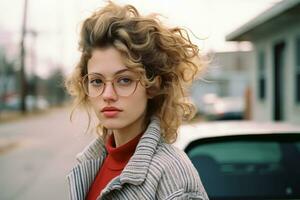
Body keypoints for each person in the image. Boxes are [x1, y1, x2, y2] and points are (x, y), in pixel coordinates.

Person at [65, 1, 209, 200]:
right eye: (97, 81)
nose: (108, 94)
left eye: (124, 80)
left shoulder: (172, 175)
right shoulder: (91, 163)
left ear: (152, 86)